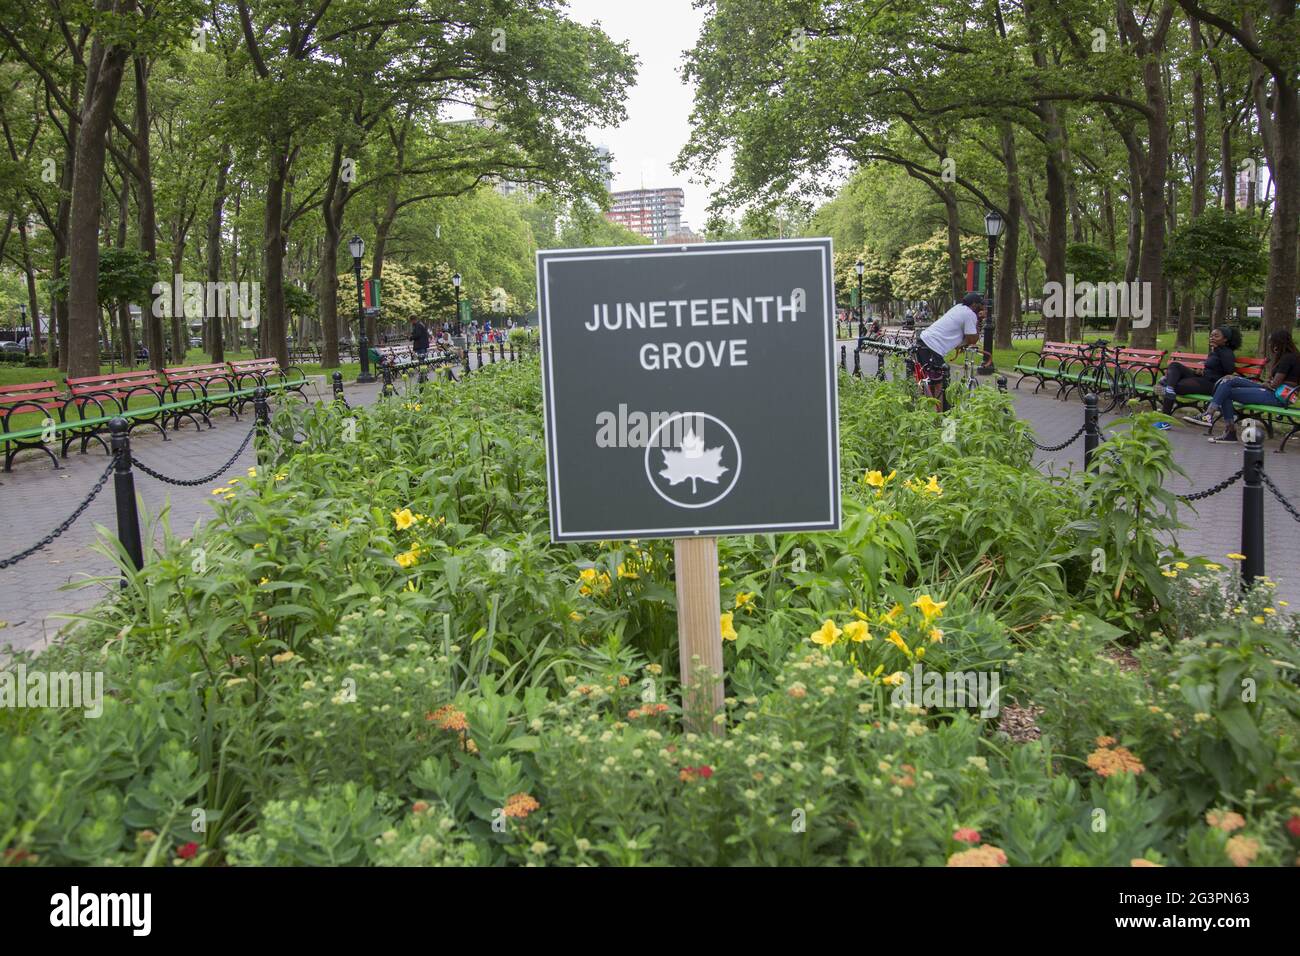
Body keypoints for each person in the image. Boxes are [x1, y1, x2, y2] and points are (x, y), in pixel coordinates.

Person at [1187, 329, 1300, 443]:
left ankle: (1216, 421)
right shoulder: (1287, 356)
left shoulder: (1288, 358)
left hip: (1278, 396)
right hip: (1272, 391)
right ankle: (1214, 420)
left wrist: (1264, 383)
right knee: (1227, 381)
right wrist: (1265, 382)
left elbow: (1274, 384)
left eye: (1271, 342)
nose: (1270, 344)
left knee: (1227, 386)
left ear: (1278, 343)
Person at [915, 293, 983, 411]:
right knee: (940, 384)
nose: (980, 309)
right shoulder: (970, 314)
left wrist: (961, 343)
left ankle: (927, 411)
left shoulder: (958, 308)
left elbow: (961, 334)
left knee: (927, 381)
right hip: (933, 347)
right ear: (974, 305)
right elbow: (972, 338)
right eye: (979, 306)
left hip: (923, 341)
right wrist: (978, 322)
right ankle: (940, 415)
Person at [1158, 326, 1240, 415]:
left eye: (1216, 336)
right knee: (1175, 365)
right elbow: (1213, 367)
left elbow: (1229, 370)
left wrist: (1218, 350)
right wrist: (1202, 370)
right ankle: (1169, 388)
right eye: (1211, 336)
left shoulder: (1227, 352)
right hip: (1203, 378)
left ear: (1225, 339)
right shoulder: (1216, 351)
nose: (1212, 338)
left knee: (1175, 386)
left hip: (1212, 384)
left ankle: (1167, 387)